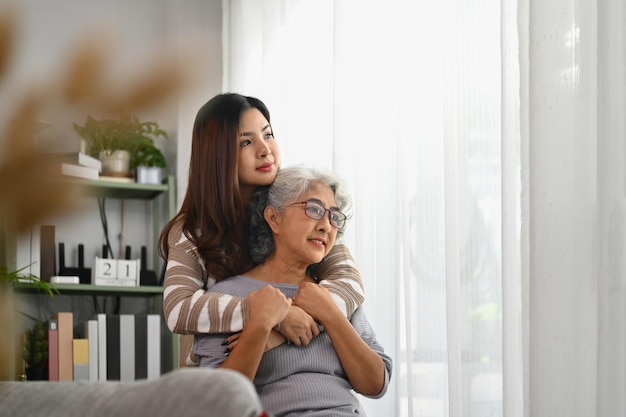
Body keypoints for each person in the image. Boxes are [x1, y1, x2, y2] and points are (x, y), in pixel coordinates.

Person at [159, 93, 365, 361]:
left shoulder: (298, 206)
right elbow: (178, 309)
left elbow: (350, 284)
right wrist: (272, 315)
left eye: (268, 135)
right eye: (246, 141)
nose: (265, 149)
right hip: (223, 374)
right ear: (218, 156)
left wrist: (280, 328)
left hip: (293, 365)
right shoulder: (191, 232)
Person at [195, 166, 392, 416]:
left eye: (333, 216)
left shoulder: (336, 295)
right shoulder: (227, 298)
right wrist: (261, 325)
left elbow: (376, 384)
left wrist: (330, 314)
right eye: (314, 209)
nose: (326, 226)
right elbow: (215, 405)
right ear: (274, 218)